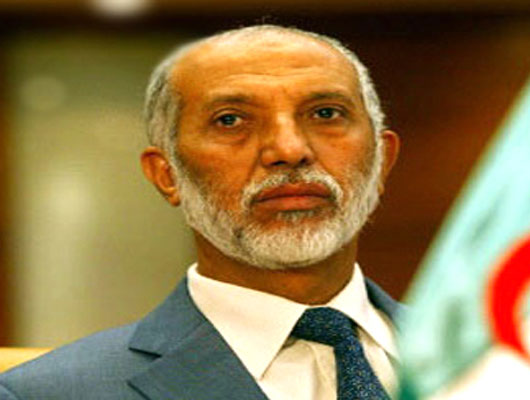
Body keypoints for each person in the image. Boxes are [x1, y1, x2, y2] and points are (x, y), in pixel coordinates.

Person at [0, 24, 401, 400]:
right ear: (167, 175)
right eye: (230, 120)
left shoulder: (440, 349)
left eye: (326, 113)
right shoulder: (48, 393)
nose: (289, 149)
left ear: (382, 160)